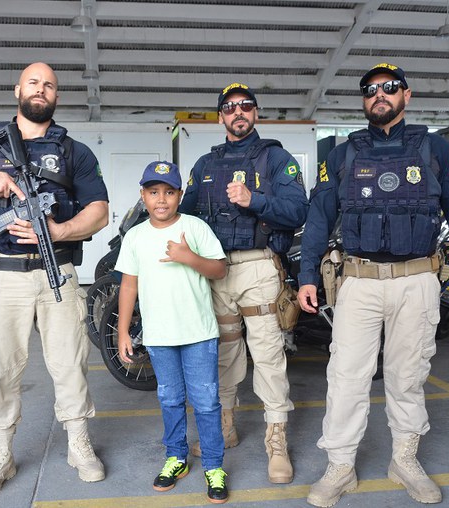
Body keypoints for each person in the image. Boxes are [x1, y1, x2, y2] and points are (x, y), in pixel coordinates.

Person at [297, 63, 449, 507]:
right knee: (346, 376)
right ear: (364, 101)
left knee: (408, 376)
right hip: (359, 281)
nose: (378, 95)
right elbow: (318, 220)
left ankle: (404, 459)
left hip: (417, 279)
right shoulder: (341, 154)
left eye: (388, 88)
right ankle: (340, 466)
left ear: (407, 95)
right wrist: (307, 274)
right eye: (370, 91)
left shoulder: (437, 149)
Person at [0, 62, 109, 500]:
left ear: (56, 96)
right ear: (18, 90)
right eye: (33, 82)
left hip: (59, 270)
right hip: (4, 276)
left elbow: (100, 211)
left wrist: (58, 230)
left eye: (49, 84)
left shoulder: (74, 151)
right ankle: (0, 454)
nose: (41, 89)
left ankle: (78, 444)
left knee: (70, 363)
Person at [179, 83, 309, 484]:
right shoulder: (204, 165)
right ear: (221, 117)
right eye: (229, 108)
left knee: (268, 354)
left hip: (258, 268)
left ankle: (276, 440)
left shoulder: (276, 158)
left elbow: (299, 210)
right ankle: (226, 426)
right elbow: (185, 216)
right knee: (223, 352)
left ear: (256, 113)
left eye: (245, 106)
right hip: (215, 271)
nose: (238, 112)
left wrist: (255, 200)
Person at [115, 161, 229, 504]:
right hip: (160, 337)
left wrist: (188, 257)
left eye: (168, 192)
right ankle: (176, 458)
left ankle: (213, 465)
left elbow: (220, 269)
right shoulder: (135, 237)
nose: (161, 199)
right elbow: (128, 287)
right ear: (143, 196)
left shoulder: (194, 228)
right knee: (169, 398)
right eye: (153, 192)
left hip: (198, 334)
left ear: (180, 195)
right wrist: (123, 332)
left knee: (207, 401)